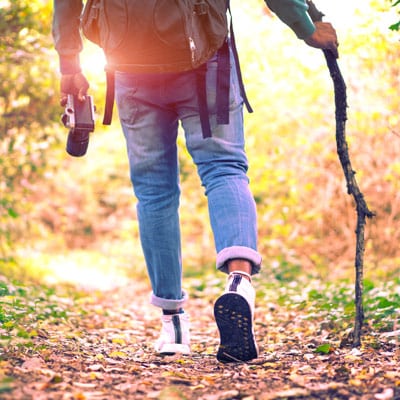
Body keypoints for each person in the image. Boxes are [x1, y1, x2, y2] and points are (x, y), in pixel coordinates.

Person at [52, 0, 338, 363]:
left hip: (131, 64)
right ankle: (239, 283)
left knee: (153, 191)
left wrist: (69, 64)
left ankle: (172, 324)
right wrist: (307, 27)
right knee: (224, 169)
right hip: (205, 62)